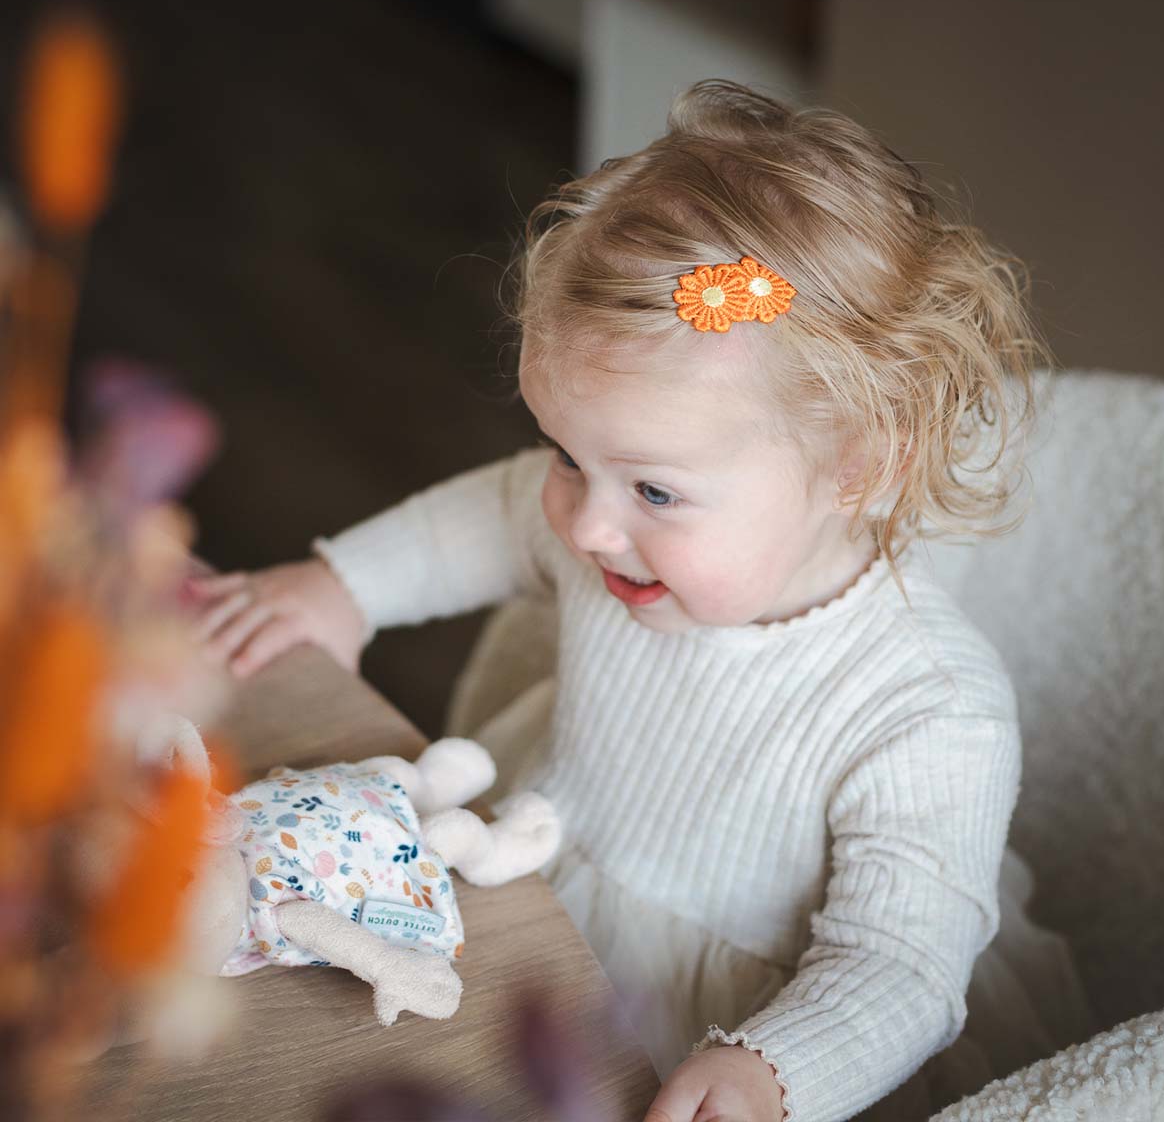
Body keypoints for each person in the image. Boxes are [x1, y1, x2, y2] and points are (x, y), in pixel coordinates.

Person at [190, 82, 1092, 1122]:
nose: (587, 527)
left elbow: (895, 964)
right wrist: (344, 587)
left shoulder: (929, 711)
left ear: (857, 466)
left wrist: (775, 1071)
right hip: (548, 885)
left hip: (762, 1024)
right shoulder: (613, 527)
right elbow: (490, 518)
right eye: (568, 459)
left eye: (654, 490)